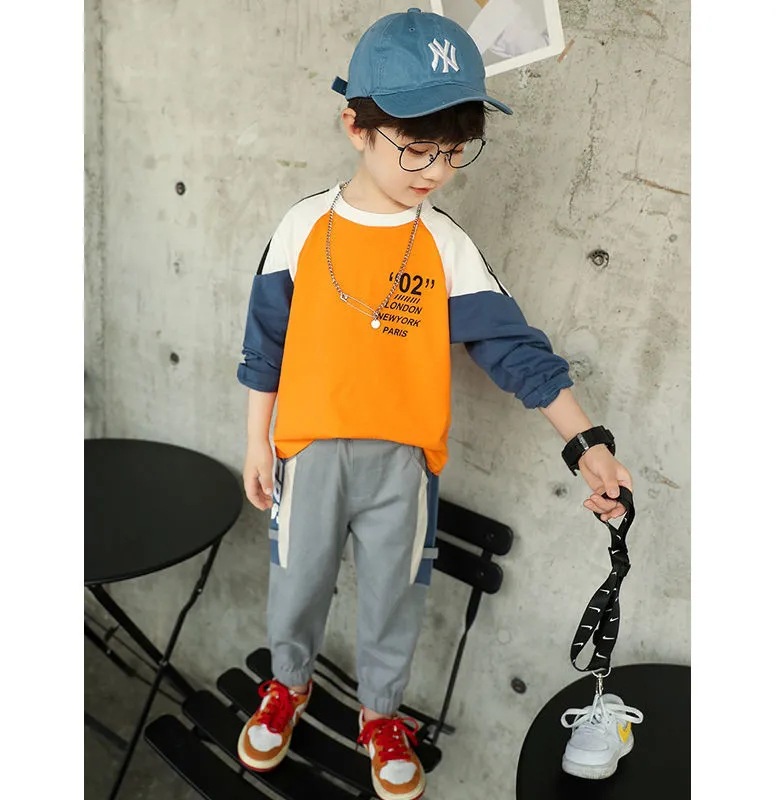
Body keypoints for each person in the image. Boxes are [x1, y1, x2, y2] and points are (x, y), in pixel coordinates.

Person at [235, 8, 632, 800]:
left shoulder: (447, 246)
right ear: (356, 126)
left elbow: (514, 349)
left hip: (404, 465)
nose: (435, 170)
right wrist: (257, 441)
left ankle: (381, 714)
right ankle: (288, 683)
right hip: (306, 453)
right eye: (417, 148)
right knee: (297, 582)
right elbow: (263, 343)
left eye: (453, 152)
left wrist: (585, 440)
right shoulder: (302, 227)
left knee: (394, 595)